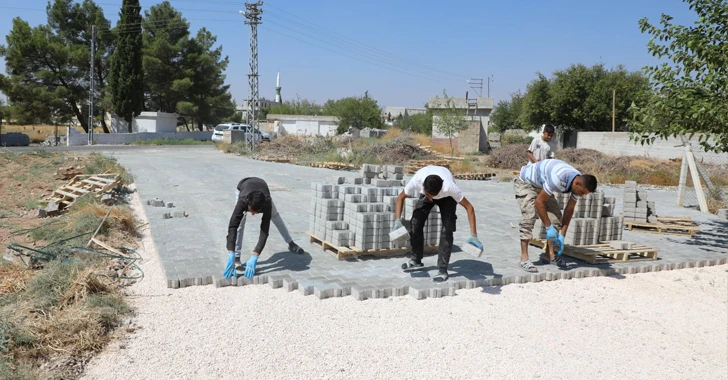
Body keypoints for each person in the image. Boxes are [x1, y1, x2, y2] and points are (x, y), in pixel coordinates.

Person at [392, 166, 482, 282]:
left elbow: (469, 207)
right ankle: (416, 260)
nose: (431, 199)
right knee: (415, 223)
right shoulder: (417, 181)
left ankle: (443, 269)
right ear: (423, 186)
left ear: (439, 190)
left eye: (432, 196)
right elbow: (400, 198)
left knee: (447, 229)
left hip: (447, 199)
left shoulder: (449, 187)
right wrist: (397, 221)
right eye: (428, 195)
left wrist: (473, 235)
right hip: (429, 187)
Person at [514, 159, 598, 272]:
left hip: (542, 185)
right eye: (582, 193)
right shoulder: (559, 178)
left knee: (556, 219)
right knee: (529, 216)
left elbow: (569, 210)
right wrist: (548, 227)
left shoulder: (577, 183)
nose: (581, 196)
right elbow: (539, 202)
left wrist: (562, 235)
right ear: (577, 183)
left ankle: (549, 255)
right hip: (526, 183)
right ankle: (524, 258)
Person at [223, 177, 304, 279]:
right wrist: (231, 252)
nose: (252, 214)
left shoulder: (267, 203)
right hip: (243, 187)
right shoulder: (242, 200)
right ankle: (237, 258)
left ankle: (291, 243)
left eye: (255, 212)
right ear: (247, 204)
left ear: (262, 207)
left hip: (262, 190)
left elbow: (264, 230)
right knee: (240, 223)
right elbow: (232, 226)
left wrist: (255, 255)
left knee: (276, 217)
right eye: (251, 210)